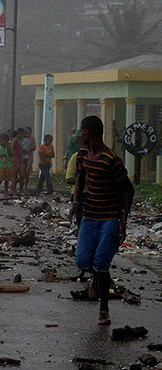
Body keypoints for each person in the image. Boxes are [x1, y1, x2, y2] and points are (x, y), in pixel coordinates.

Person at [70, 115, 134, 325]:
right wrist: (76, 203)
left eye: (82, 132)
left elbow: (128, 190)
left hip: (110, 218)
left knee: (101, 263)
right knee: (82, 260)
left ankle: (103, 309)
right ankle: (96, 281)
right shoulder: (82, 155)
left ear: (90, 134)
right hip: (89, 215)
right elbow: (80, 178)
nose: (80, 135)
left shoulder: (111, 160)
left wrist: (123, 221)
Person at [11, 128, 26, 196]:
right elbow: (11, 149)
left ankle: (21, 189)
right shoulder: (15, 140)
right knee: (15, 175)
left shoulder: (20, 140)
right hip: (15, 158)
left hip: (20, 158)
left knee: (22, 175)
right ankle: (14, 191)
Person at [24, 126, 36, 192]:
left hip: (29, 157)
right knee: (22, 172)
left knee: (27, 172)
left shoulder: (32, 139)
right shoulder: (22, 139)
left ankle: (25, 186)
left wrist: (28, 148)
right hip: (22, 157)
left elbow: (34, 147)